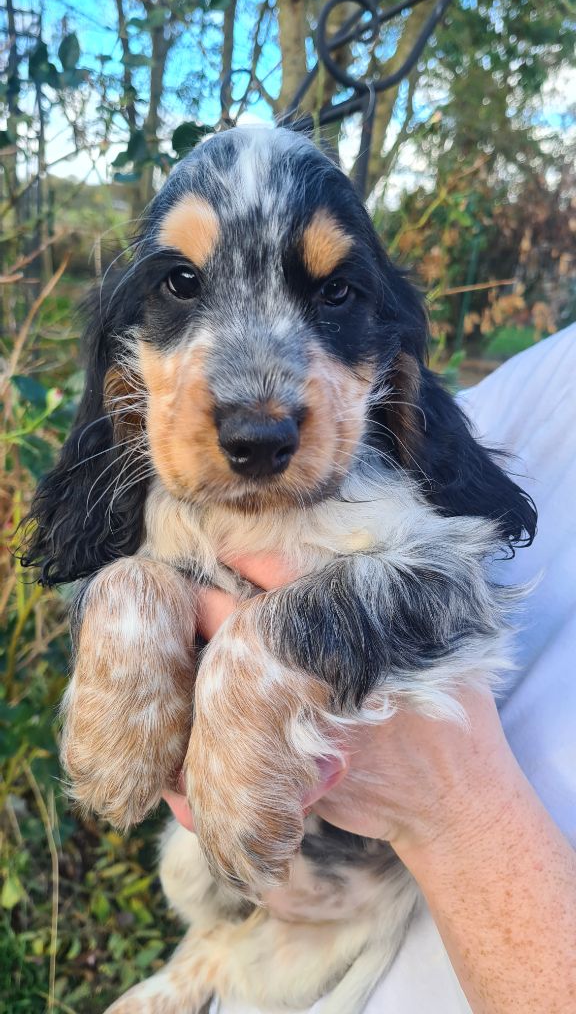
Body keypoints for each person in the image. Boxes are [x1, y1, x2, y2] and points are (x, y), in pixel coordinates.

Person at [164, 325, 576, 1014]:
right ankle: (210, 965)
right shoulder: (546, 375)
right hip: (268, 905)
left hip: (355, 936)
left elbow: (434, 571)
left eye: (333, 298)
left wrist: (453, 808)